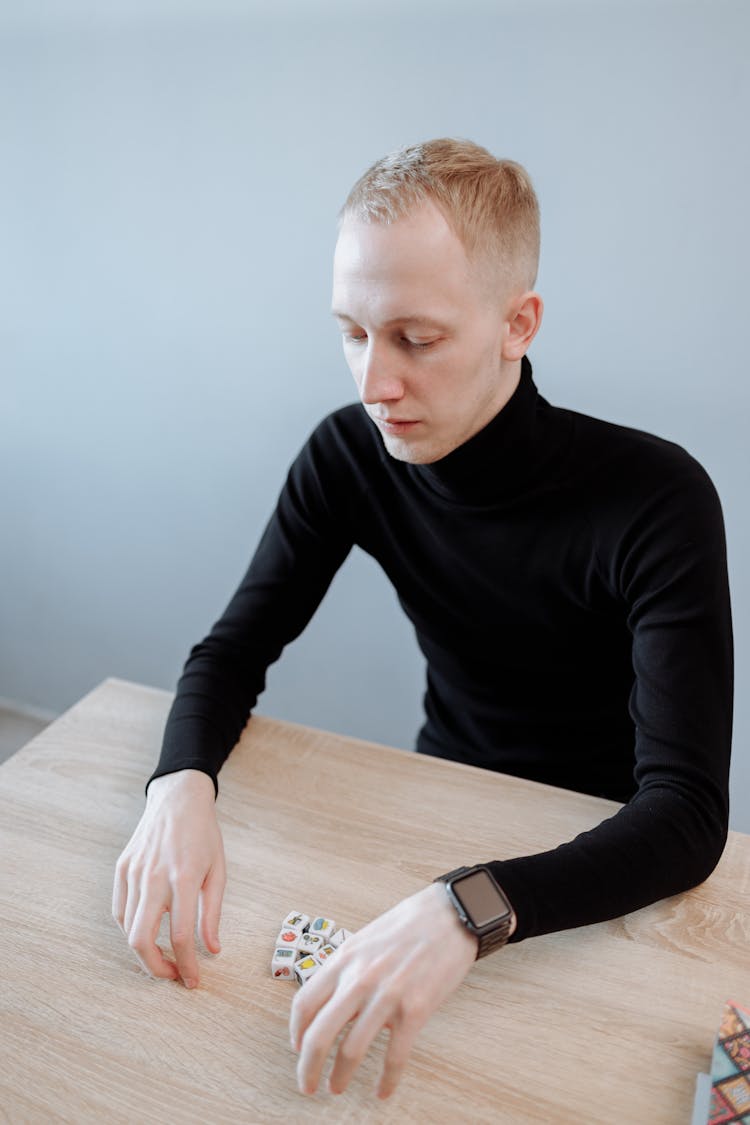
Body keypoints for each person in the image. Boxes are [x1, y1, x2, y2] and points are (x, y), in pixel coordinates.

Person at [112, 138, 733, 1100]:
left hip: (605, 858)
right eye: (352, 332)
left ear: (517, 323)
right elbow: (234, 648)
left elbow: (687, 819)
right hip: (439, 791)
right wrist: (178, 783)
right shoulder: (347, 454)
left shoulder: (658, 500)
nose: (372, 384)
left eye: (416, 337)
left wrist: (466, 908)